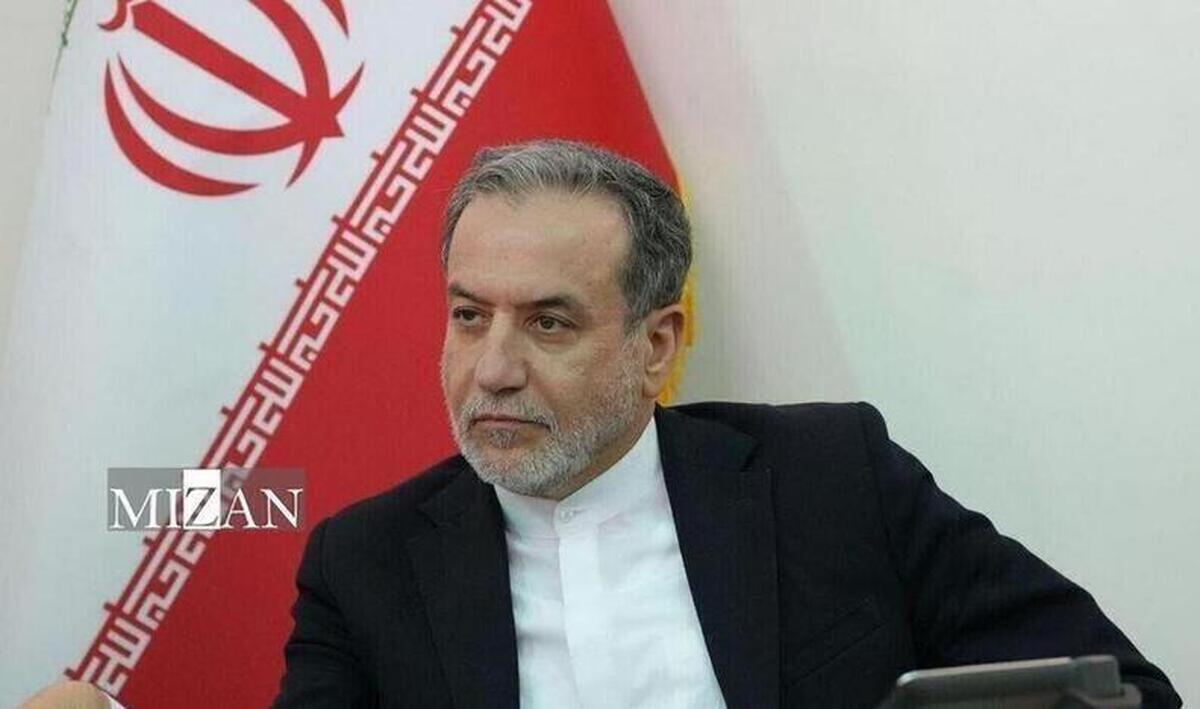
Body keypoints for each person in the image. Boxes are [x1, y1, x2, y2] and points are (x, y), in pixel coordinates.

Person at [273, 139, 1180, 708]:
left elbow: (1121, 692)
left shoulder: (832, 479)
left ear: (656, 344)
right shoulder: (365, 564)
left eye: (549, 323)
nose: (493, 369)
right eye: (470, 316)